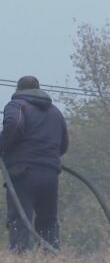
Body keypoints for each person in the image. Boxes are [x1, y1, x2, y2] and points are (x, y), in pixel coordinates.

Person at [0, 76, 69, 252]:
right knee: (48, 220)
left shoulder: (17, 105)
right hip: (50, 174)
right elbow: (64, 144)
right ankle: (50, 261)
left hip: (22, 171)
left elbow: (14, 125)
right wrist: (46, 157)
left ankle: (20, 259)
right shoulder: (55, 112)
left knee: (20, 219)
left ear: (18, 90)